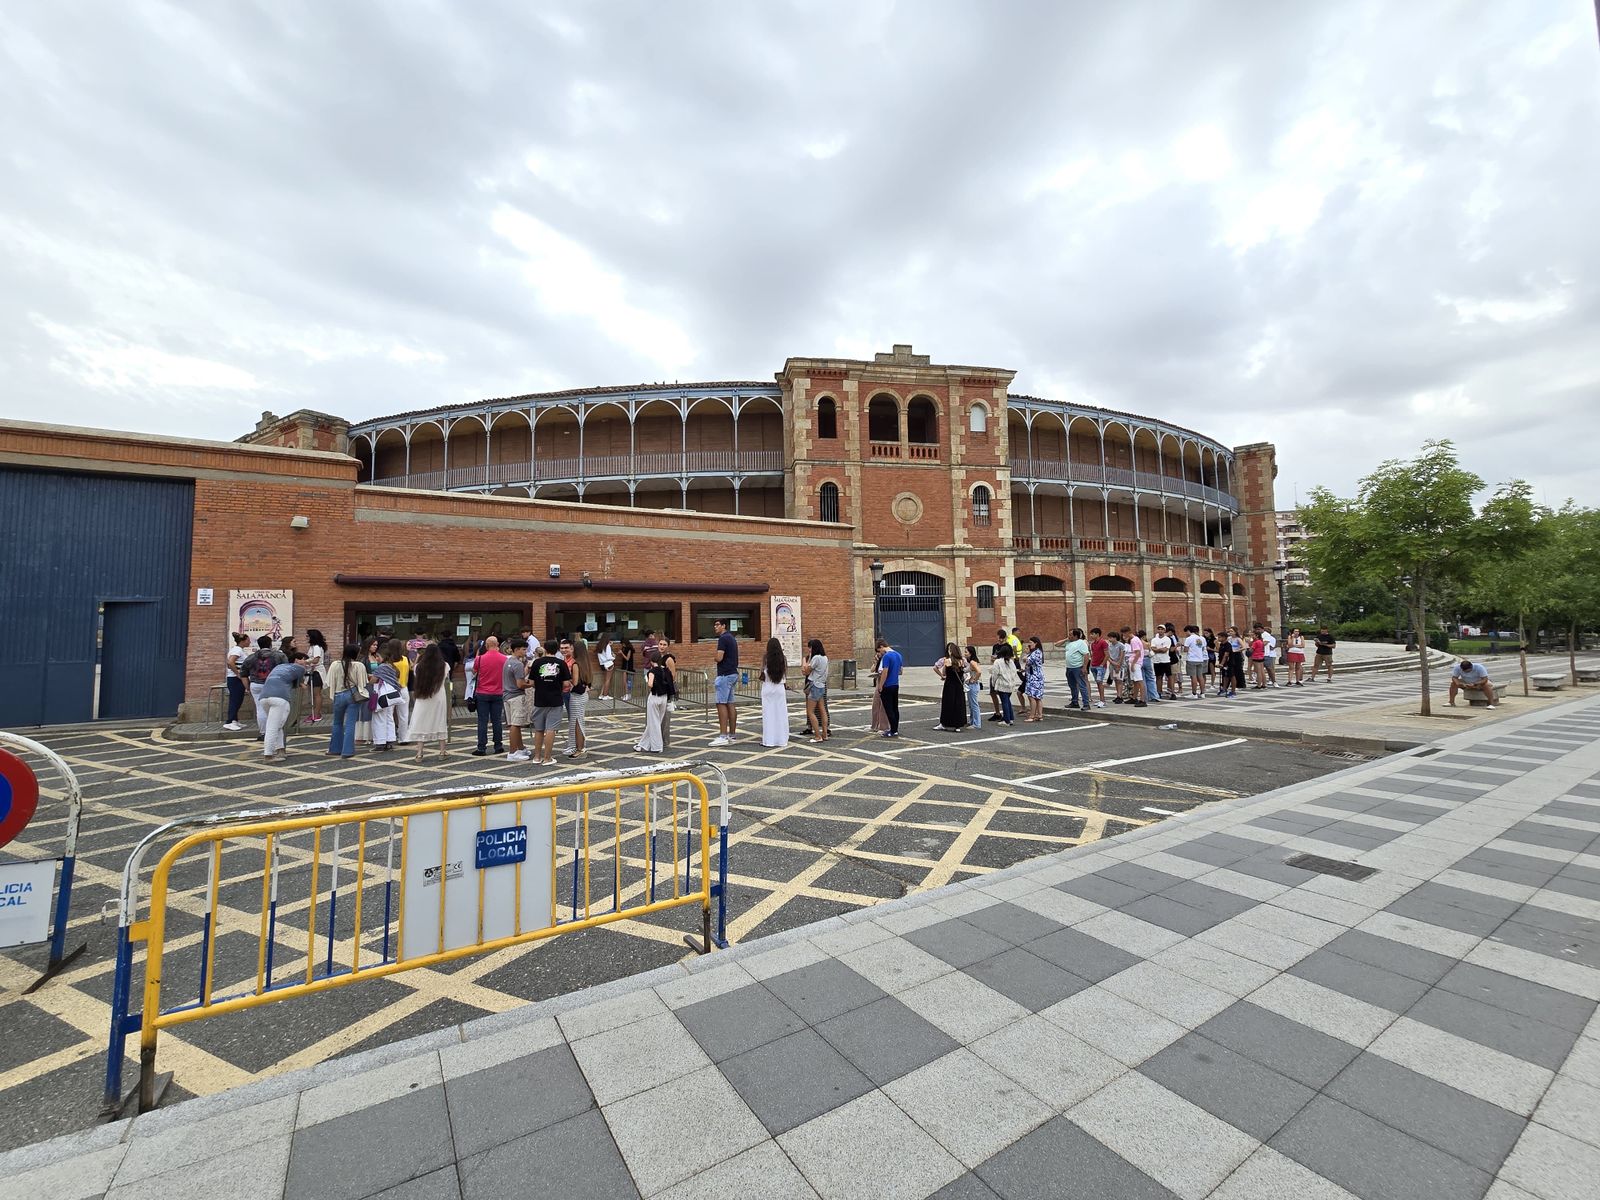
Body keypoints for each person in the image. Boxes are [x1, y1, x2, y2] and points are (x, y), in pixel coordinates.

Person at [259, 650, 309, 760]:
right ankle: (268, 755)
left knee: (277, 725)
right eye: (303, 660)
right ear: (296, 660)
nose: (305, 662)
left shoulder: (278, 667)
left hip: (264, 697)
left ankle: (280, 751)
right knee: (273, 727)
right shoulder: (299, 668)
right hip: (280, 698)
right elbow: (302, 684)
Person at [527, 641, 572, 765]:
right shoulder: (561, 663)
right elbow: (566, 683)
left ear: (545, 649)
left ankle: (536, 757)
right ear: (557, 649)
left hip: (539, 699)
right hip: (556, 699)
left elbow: (531, 683)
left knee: (539, 729)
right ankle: (547, 758)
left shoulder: (537, 662)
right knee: (551, 729)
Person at [325, 643, 369, 758]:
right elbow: (363, 683)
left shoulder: (335, 664)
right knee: (350, 724)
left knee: (337, 723)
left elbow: (329, 682)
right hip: (352, 695)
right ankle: (347, 751)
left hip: (338, 695)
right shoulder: (359, 665)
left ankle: (334, 749)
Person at [408, 643, 450, 762]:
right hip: (439, 696)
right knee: (440, 721)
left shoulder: (419, 667)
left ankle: (419, 753)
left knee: (421, 721)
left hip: (423, 696)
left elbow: (414, 669)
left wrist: (417, 657)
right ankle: (442, 751)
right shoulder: (444, 666)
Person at [242, 635, 285, 740]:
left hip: (256, 685)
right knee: (275, 708)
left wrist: (247, 687)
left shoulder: (250, 657)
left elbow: (243, 674)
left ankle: (263, 733)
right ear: (270, 644)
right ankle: (275, 731)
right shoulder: (279, 656)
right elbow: (285, 669)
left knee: (260, 709)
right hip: (274, 684)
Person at [472, 635, 507, 756]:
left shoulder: (480, 659)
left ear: (486, 646)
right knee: (497, 720)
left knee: (482, 721)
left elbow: (474, 671)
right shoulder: (504, 659)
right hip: (498, 692)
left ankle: (481, 747)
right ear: (497, 645)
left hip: (482, 693)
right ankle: (498, 745)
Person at [636, 646, 674, 753]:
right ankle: (643, 744)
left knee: (654, 723)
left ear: (652, 661)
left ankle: (657, 747)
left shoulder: (652, 671)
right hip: (664, 698)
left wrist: (647, 680)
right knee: (657, 721)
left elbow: (650, 684)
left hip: (654, 697)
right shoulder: (664, 670)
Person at [502, 637, 532, 761]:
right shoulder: (518, 664)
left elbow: (516, 678)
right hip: (516, 696)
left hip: (507, 695)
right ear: (517, 649)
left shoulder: (508, 662)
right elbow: (520, 684)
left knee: (514, 724)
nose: (525, 652)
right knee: (516, 724)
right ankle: (513, 752)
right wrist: (531, 684)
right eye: (524, 649)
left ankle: (520, 748)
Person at [711, 617, 740, 746]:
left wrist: (715, 656)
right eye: (714, 625)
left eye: (717, 625)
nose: (715, 627)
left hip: (724, 674)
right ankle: (732, 735)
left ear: (724, 626)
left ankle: (723, 736)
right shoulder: (732, 638)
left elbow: (719, 657)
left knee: (721, 703)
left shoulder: (723, 639)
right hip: (733, 673)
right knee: (730, 704)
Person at [565, 639, 593, 759]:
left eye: (572, 649)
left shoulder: (576, 664)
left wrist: (566, 677)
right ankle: (578, 747)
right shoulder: (586, 663)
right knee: (579, 721)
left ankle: (580, 749)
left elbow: (575, 682)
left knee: (577, 723)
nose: (570, 651)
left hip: (577, 696)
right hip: (583, 695)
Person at [759, 638, 790, 748]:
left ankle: (769, 740)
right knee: (780, 714)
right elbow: (785, 674)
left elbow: (762, 672)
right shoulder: (783, 659)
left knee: (768, 715)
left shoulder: (765, 658)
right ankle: (781, 740)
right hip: (779, 688)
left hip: (768, 687)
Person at [934, 641, 967, 731]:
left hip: (950, 684)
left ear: (950, 651)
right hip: (959, 685)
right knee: (959, 704)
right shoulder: (962, 660)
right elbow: (965, 670)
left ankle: (944, 723)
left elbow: (936, 667)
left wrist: (942, 675)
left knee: (948, 703)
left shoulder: (946, 660)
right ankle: (958, 725)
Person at [384, 639, 411, 743]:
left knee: (389, 714)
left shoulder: (388, 662)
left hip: (391, 689)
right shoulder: (405, 659)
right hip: (404, 688)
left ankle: (389, 737)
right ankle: (403, 738)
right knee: (404, 715)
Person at [876, 637, 903, 737]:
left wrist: (880, 685)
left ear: (882, 646)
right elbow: (901, 671)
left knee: (889, 708)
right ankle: (895, 729)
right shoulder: (898, 655)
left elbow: (885, 672)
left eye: (879, 650)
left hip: (887, 685)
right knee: (895, 708)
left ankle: (892, 730)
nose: (880, 653)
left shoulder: (887, 656)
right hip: (895, 684)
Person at [223, 632, 251, 731]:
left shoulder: (239, 650)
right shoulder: (237, 650)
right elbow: (230, 662)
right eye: (248, 640)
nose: (249, 642)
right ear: (243, 641)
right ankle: (229, 721)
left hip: (236, 678)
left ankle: (234, 720)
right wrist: (238, 674)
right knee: (235, 700)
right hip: (235, 679)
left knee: (238, 700)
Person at [804, 639, 829, 743]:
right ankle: (825, 733)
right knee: (822, 710)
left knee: (810, 711)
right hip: (822, 685)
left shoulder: (816, 658)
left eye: (810, 648)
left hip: (814, 685)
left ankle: (818, 736)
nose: (809, 649)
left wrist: (805, 660)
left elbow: (806, 671)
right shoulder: (825, 657)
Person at [990, 642, 1019, 725]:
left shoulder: (998, 662)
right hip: (1010, 684)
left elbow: (994, 674)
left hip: (1002, 684)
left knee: (1004, 702)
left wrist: (993, 683)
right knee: (1007, 700)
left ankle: (1006, 720)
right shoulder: (1011, 662)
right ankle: (1011, 718)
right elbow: (1014, 672)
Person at [1063, 628, 1090, 712]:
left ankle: (1086, 704)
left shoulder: (1081, 643)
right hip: (1069, 667)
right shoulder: (1069, 643)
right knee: (1072, 685)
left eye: (1070, 634)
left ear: (1076, 635)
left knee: (1082, 685)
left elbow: (1086, 655)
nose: (1069, 636)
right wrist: (1066, 639)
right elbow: (1057, 644)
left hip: (1077, 667)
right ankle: (1074, 702)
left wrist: (1084, 667)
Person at [304, 629, 328, 723]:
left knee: (316, 694)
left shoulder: (316, 647)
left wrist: (305, 662)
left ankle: (317, 714)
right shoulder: (313, 647)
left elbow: (316, 660)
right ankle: (315, 712)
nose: (306, 637)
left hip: (317, 672)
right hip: (312, 672)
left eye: (307, 636)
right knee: (313, 695)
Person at [1181, 625, 1208, 698]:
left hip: (1192, 659)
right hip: (1200, 659)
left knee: (1193, 677)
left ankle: (1194, 693)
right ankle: (1202, 693)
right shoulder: (1200, 638)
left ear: (1189, 631)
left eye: (1186, 632)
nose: (1186, 633)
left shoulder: (1189, 639)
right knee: (1200, 676)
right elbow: (1202, 648)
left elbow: (1185, 650)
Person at [1023, 636, 1046, 721]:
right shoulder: (1037, 652)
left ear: (1035, 643)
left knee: (1031, 696)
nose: (1029, 644)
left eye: (1031, 642)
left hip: (1034, 677)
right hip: (1035, 675)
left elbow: (1027, 660)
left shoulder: (1036, 652)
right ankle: (1039, 715)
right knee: (1037, 697)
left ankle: (1032, 715)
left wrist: (1026, 655)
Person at [1149, 626, 1174, 702]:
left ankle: (1171, 692)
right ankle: (1159, 692)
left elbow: (1165, 650)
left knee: (1169, 676)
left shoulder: (1167, 639)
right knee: (1158, 677)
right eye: (1159, 629)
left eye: (1162, 629)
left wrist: (1157, 649)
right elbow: (1152, 648)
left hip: (1165, 660)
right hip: (1157, 661)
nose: (1160, 631)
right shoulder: (1154, 639)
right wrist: (1160, 649)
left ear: (1164, 631)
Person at [870, 645, 890, 733]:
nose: (878, 654)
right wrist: (875, 662)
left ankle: (883, 726)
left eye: (879, 651)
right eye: (877, 652)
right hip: (878, 682)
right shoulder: (879, 660)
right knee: (875, 704)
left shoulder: (887, 658)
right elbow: (872, 670)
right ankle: (875, 725)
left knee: (883, 706)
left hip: (885, 683)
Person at [963, 646, 984, 729]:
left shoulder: (972, 662)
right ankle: (972, 721)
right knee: (971, 704)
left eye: (966, 652)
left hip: (973, 685)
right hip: (971, 684)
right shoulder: (972, 662)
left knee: (974, 705)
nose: (965, 654)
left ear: (971, 653)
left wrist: (974, 679)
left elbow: (979, 672)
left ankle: (976, 724)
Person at [1088, 627, 1109, 708]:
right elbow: (1093, 655)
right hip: (1094, 665)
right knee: (1097, 682)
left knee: (1100, 682)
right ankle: (1101, 699)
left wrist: (1102, 664)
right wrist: (1091, 664)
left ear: (1097, 634)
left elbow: (1107, 655)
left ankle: (1103, 700)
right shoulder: (1093, 644)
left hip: (1100, 666)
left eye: (1092, 634)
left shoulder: (1103, 642)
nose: (1091, 635)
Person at [596, 633, 615, 700]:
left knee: (605, 680)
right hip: (608, 664)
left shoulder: (599, 645)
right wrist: (613, 657)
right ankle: (605, 695)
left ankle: (601, 695)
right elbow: (609, 656)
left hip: (602, 664)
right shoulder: (607, 646)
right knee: (608, 680)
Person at [618, 637, 636, 702]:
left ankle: (627, 694)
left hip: (628, 666)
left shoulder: (629, 649)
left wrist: (622, 653)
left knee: (626, 681)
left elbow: (627, 658)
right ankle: (626, 694)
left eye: (623, 644)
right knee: (625, 681)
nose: (622, 645)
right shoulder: (624, 648)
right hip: (624, 665)